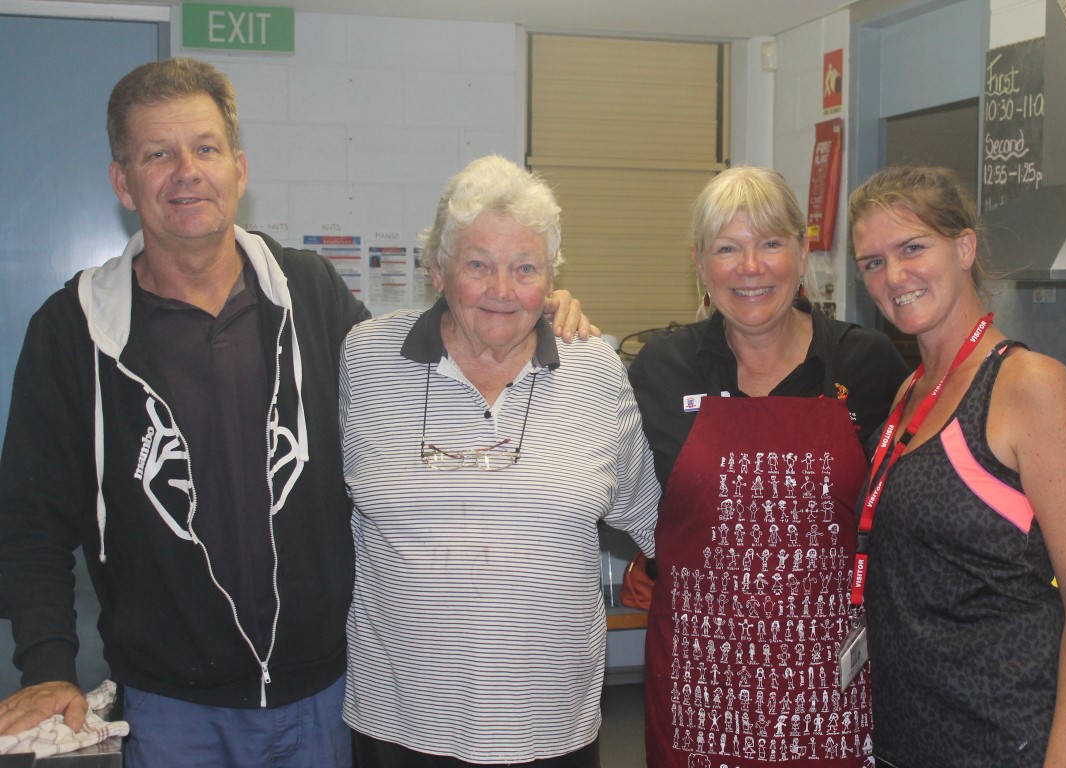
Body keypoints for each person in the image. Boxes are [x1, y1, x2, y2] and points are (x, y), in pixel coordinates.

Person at [0, 58, 591, 767]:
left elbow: (422, 372)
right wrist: (46, 667)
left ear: (239, 170)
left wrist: (528, 314)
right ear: (123, 182)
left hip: (325, 696)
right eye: (158, 155)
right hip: (171, 705)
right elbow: (30, 517)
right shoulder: (75, 330)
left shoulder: (308, 294)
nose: (187, 172)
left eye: (206, 149)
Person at [339, 154, 661, 767]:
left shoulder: (593, 368)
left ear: (550, 280)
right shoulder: (368, 359)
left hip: (549, 722)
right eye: (478, 265)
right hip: (402, 717)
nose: (502, 290)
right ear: (438, 269)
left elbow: (656, 517)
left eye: (525, 268)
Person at [628, 166, 909, 768]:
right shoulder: (660, 369)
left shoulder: (869, 364)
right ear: (701, 265)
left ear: (802, 253)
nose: (750, 267)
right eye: (727, 248)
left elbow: (905, 513)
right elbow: (633, 491)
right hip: (701, 692)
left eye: (771, 243)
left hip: (833, 689)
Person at [847, 166, 1066, 768]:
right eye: (871, 262)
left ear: (964, 247)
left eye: (913, 247)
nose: (894, 276)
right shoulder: (909, 395)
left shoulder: (1027, 386)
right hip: (916, 739)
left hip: (1013, 740)